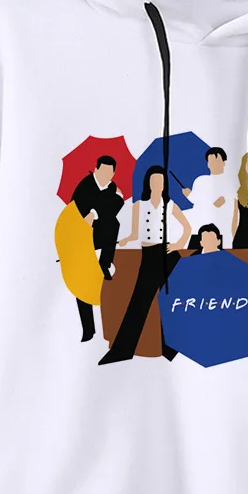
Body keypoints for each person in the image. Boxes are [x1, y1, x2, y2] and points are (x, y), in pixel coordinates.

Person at [99, 165, 191, 365]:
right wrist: (123, 241)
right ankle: (122, 350)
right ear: (148, 183)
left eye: (160, 181)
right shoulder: (139, 205)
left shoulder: (170, 205)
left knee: (169, 301)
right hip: (148, 255)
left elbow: (187, 228)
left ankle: (171, 349)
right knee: (139, 302)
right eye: (153, 180)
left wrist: (178, 244)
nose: (157, 184)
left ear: (165, 184)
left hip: (166, 254)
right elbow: (134, 233)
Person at [72, 155, 124, 342]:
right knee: (82, 285)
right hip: (82, 239)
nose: (106, 176)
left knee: (114, 223)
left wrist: (94, 212)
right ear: (95, 170)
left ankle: (105, 263)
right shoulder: (84, 186)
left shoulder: (112, 188)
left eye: (110, 173)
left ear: (113, 173)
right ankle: (88, 330)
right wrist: (92, 212)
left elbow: (117, 203)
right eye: (102, 171)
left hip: (103, 238)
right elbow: (76, 208)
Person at [182, 148, 233, 248]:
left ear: (224, 162)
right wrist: (189, 195)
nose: (213, 164)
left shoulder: (228, 182)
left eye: (216, 161)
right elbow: (196, 201)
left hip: (221, 228)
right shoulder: (201, 180)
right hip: (198, 226)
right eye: (210, 161)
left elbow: (219, 204)